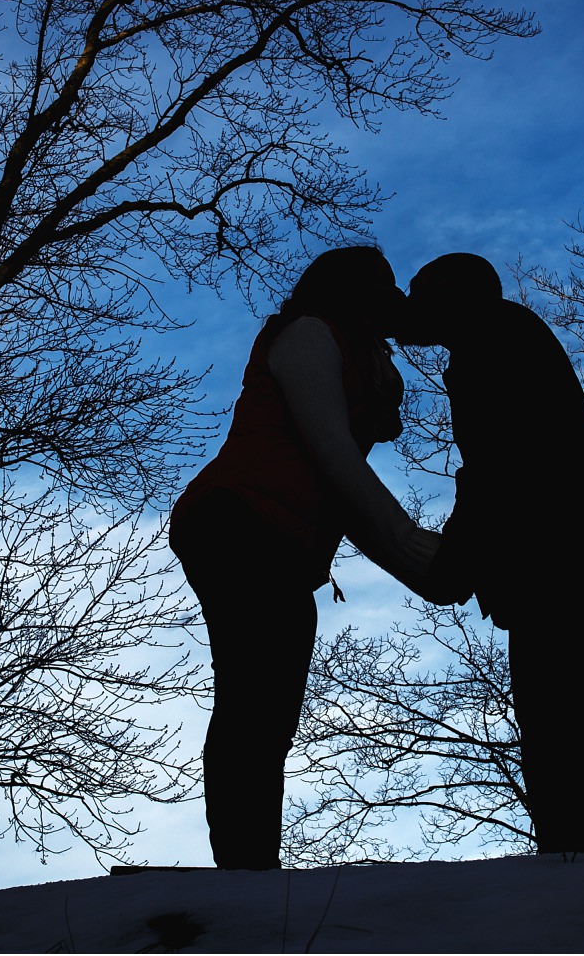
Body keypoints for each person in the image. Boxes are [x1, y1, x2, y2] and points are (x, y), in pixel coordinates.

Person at [170, 246, 441, 870]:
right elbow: (333, 459)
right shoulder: (311, 335)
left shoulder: (356, 351)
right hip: (239, 521)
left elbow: (340, 489)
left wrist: (419, 565)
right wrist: (412, 549)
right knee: (255, 694)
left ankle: (250, 865)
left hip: (278, 539)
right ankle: (246, 869)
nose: (389, 297)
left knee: (270, 698)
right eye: (379, 286)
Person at [401, 252, 584, 854]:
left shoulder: (488, 345)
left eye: (419, 296)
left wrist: (453, 564)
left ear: (453, 300)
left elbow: (500, 469)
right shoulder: (505, 336)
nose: (409, 310)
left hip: (567, 565)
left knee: (569, 726)